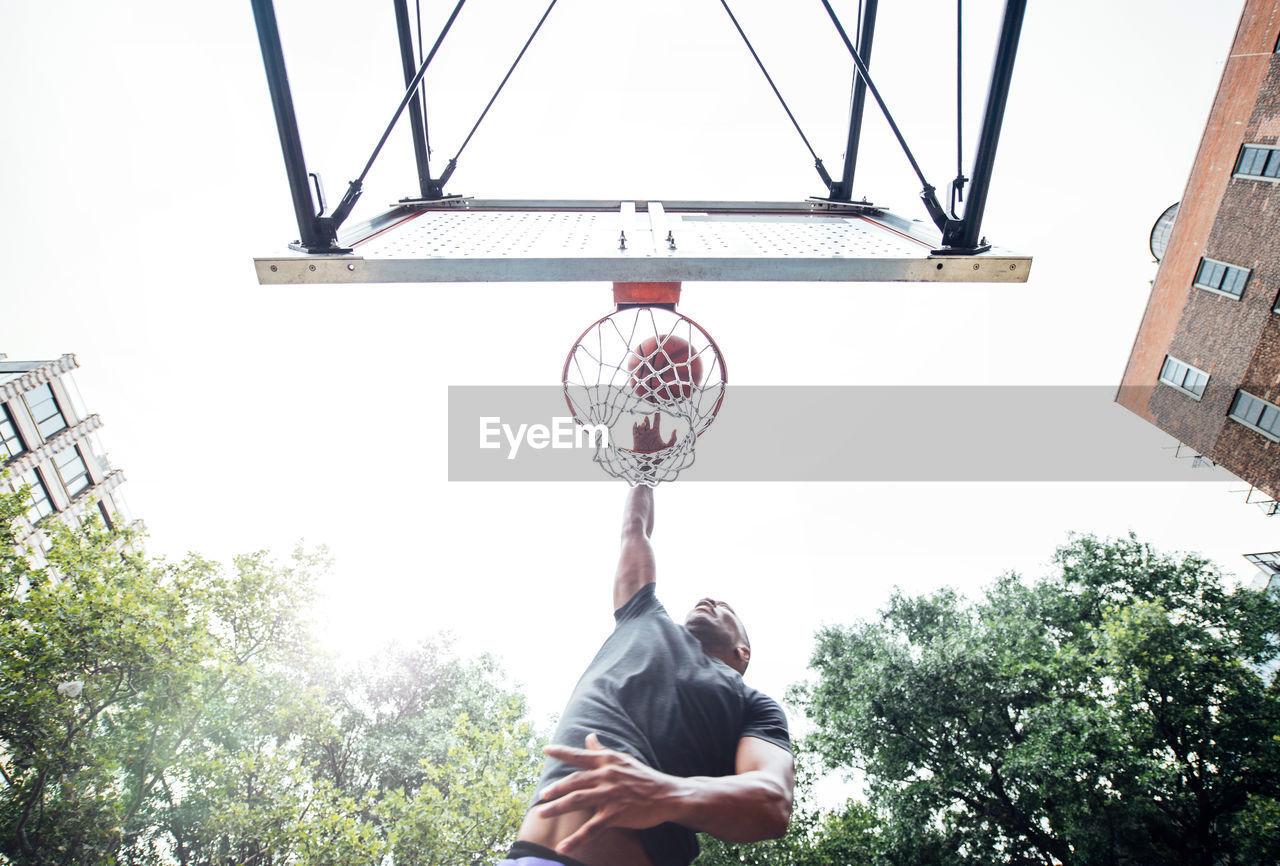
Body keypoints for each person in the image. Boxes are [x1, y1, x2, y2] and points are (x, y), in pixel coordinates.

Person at [499, 471, 795, 866]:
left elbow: (772, 802)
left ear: (744, 652)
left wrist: (663, 793)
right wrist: (645, 471)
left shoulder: (754, 705)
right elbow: (635, 531)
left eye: (727, 609)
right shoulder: (643, 614)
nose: (711, 599)